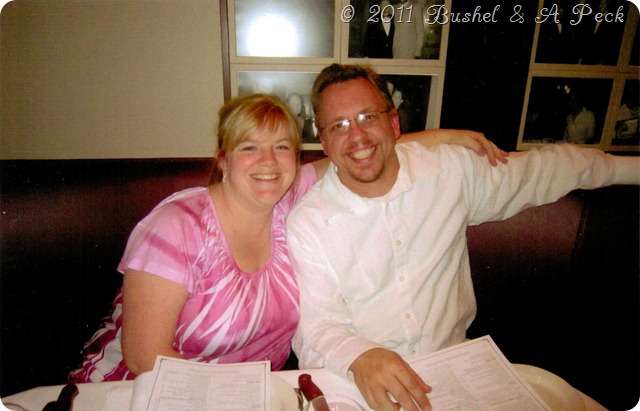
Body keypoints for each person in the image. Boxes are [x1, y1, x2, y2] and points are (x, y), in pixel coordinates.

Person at [68, 93, 506, 383]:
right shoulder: (176, 225)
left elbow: (358, 149)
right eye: (249, 147)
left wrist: (449, 137)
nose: (268, 161)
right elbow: (144, 356)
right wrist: (232, 398)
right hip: (137, 392)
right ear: (222, 159)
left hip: (257, 397)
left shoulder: (289, 201)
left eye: (281, 147)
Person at [285, 63, 639, 411]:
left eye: (368, 117)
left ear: (394, 122)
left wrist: (629, 168)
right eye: (339, 125)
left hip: (454, 372)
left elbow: (544, 171)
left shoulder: (449, 171)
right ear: (323, 139)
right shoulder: (310, 221)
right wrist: (360, 356)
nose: (357, 136)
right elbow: (316, 326)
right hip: (359, 386)